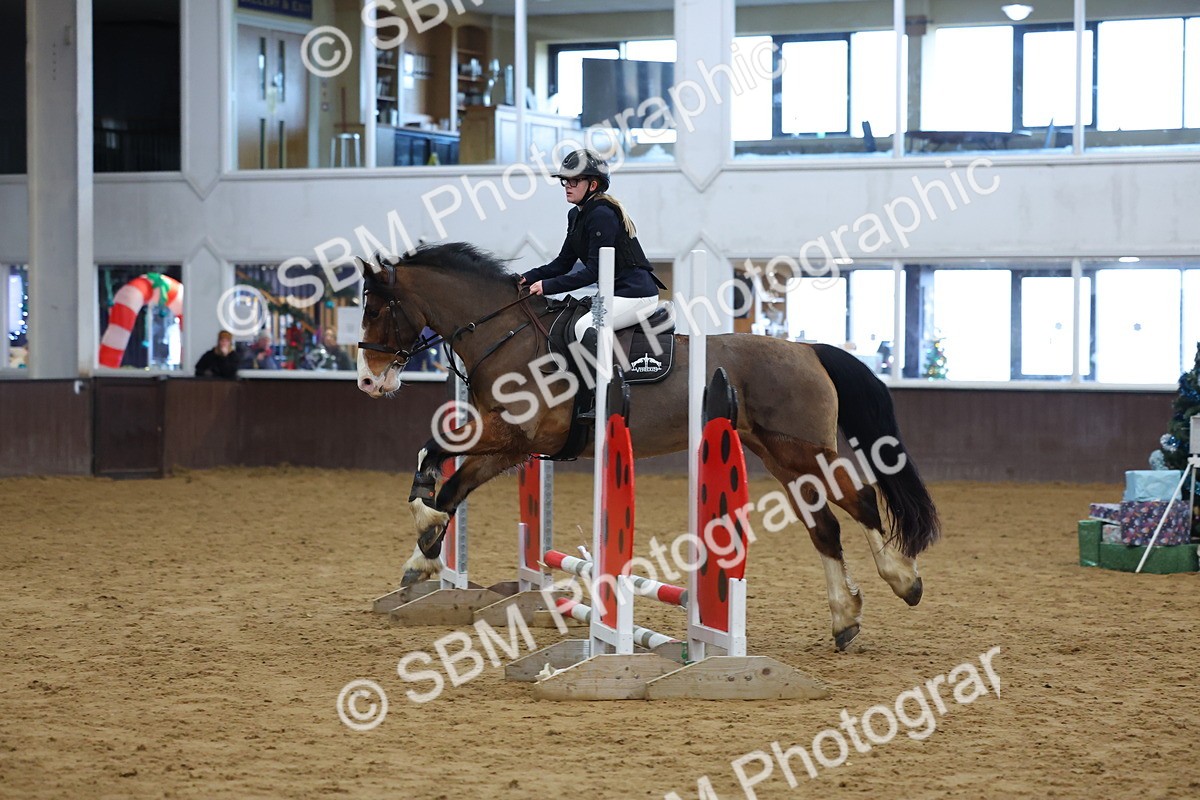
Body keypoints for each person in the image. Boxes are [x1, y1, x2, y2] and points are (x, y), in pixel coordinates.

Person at [519, 149, 665, 347]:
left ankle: (609, 379)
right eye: (565, 181)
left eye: (574, 181)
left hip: (636, 295)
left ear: (593, 185)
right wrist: (527, 278)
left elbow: (593, 273)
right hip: (612, 294)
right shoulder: (575, 215)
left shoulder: (601, 215)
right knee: (566, 321)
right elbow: (563, 263)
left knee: (585, 327)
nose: (567, 186)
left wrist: (548, 286)